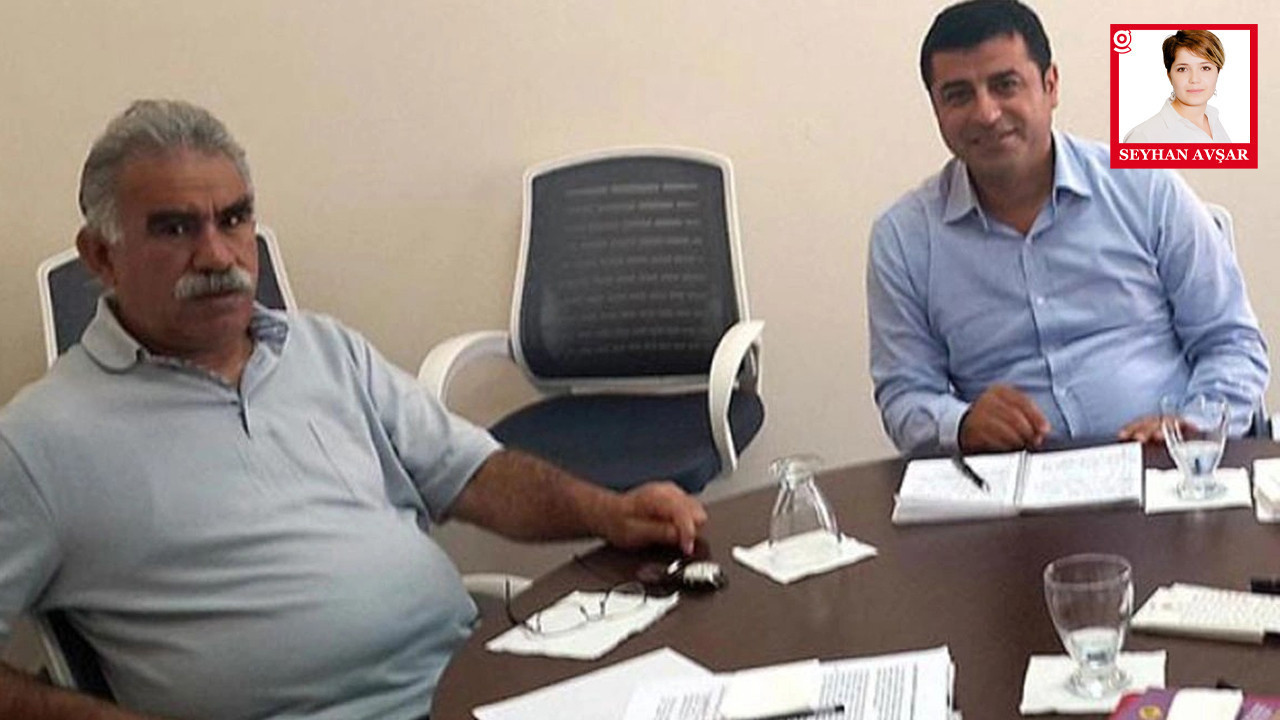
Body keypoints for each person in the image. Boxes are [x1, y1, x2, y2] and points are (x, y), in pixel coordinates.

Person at [0, 99, 708, 720]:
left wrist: (609, 513)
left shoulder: (324, 350)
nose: (216, 255)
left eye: (234, 218)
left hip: (480, 681)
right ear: (101, 256)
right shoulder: (39, 442)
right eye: (175, 229)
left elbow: (474, 476)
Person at [866, 0, 1267, 456]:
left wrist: (1190, 427)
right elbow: (905, 394)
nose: (986, 113)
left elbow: (1232, 342)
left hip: (1163, 466)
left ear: (1050, 85)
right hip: (1011, 480)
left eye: (1005, 85)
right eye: (958, 95)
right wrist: (961, 424)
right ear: (936, 108)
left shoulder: (1144, 186)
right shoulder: (903, 240)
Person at [1123, 30, 1231, 143]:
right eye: (1182, 69)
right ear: (1169, 75)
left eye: (1205, 68)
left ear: (1218, 72)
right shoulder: (1144, 137)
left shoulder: (1214, 120)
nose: (1194, 79)